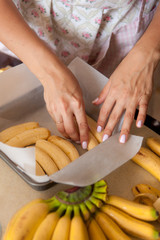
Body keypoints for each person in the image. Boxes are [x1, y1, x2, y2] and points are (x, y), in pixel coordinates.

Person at [0, 0, 160, 149]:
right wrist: (49, 73)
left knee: (124, 113)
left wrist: (148, 53)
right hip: (25, 29)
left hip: (129, 35)